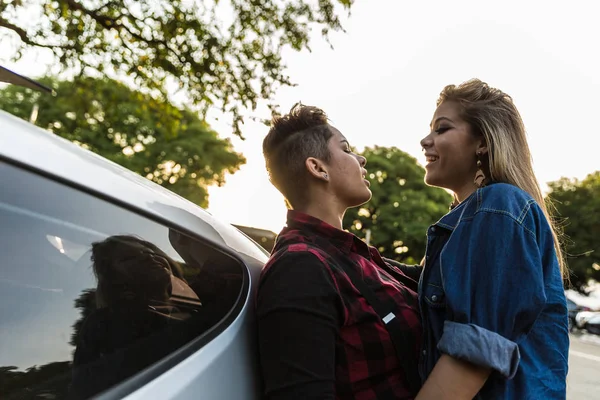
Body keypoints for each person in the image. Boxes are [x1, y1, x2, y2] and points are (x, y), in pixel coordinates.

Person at [416, 79, 569, 399]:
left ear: (482, 142)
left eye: (441, 129)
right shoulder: (472, 221)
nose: (425, 140)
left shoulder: (499, 208)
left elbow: (471, 357)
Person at [257, 103, 422, 400]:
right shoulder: (299, 267)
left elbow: (436, 276)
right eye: (346, 149)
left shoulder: (352, 255)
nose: (361, 158)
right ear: (318, 168)